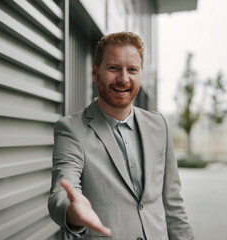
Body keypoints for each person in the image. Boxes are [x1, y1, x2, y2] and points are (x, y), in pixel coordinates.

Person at [48, 32, 194, 240]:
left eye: (132, 70)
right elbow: (60, 193)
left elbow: (173, 204)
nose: (123, 79)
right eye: (114, 68)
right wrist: (73, 212)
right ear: (95, 72)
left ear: (141, 74)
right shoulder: (71, 129)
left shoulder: (159, 125)